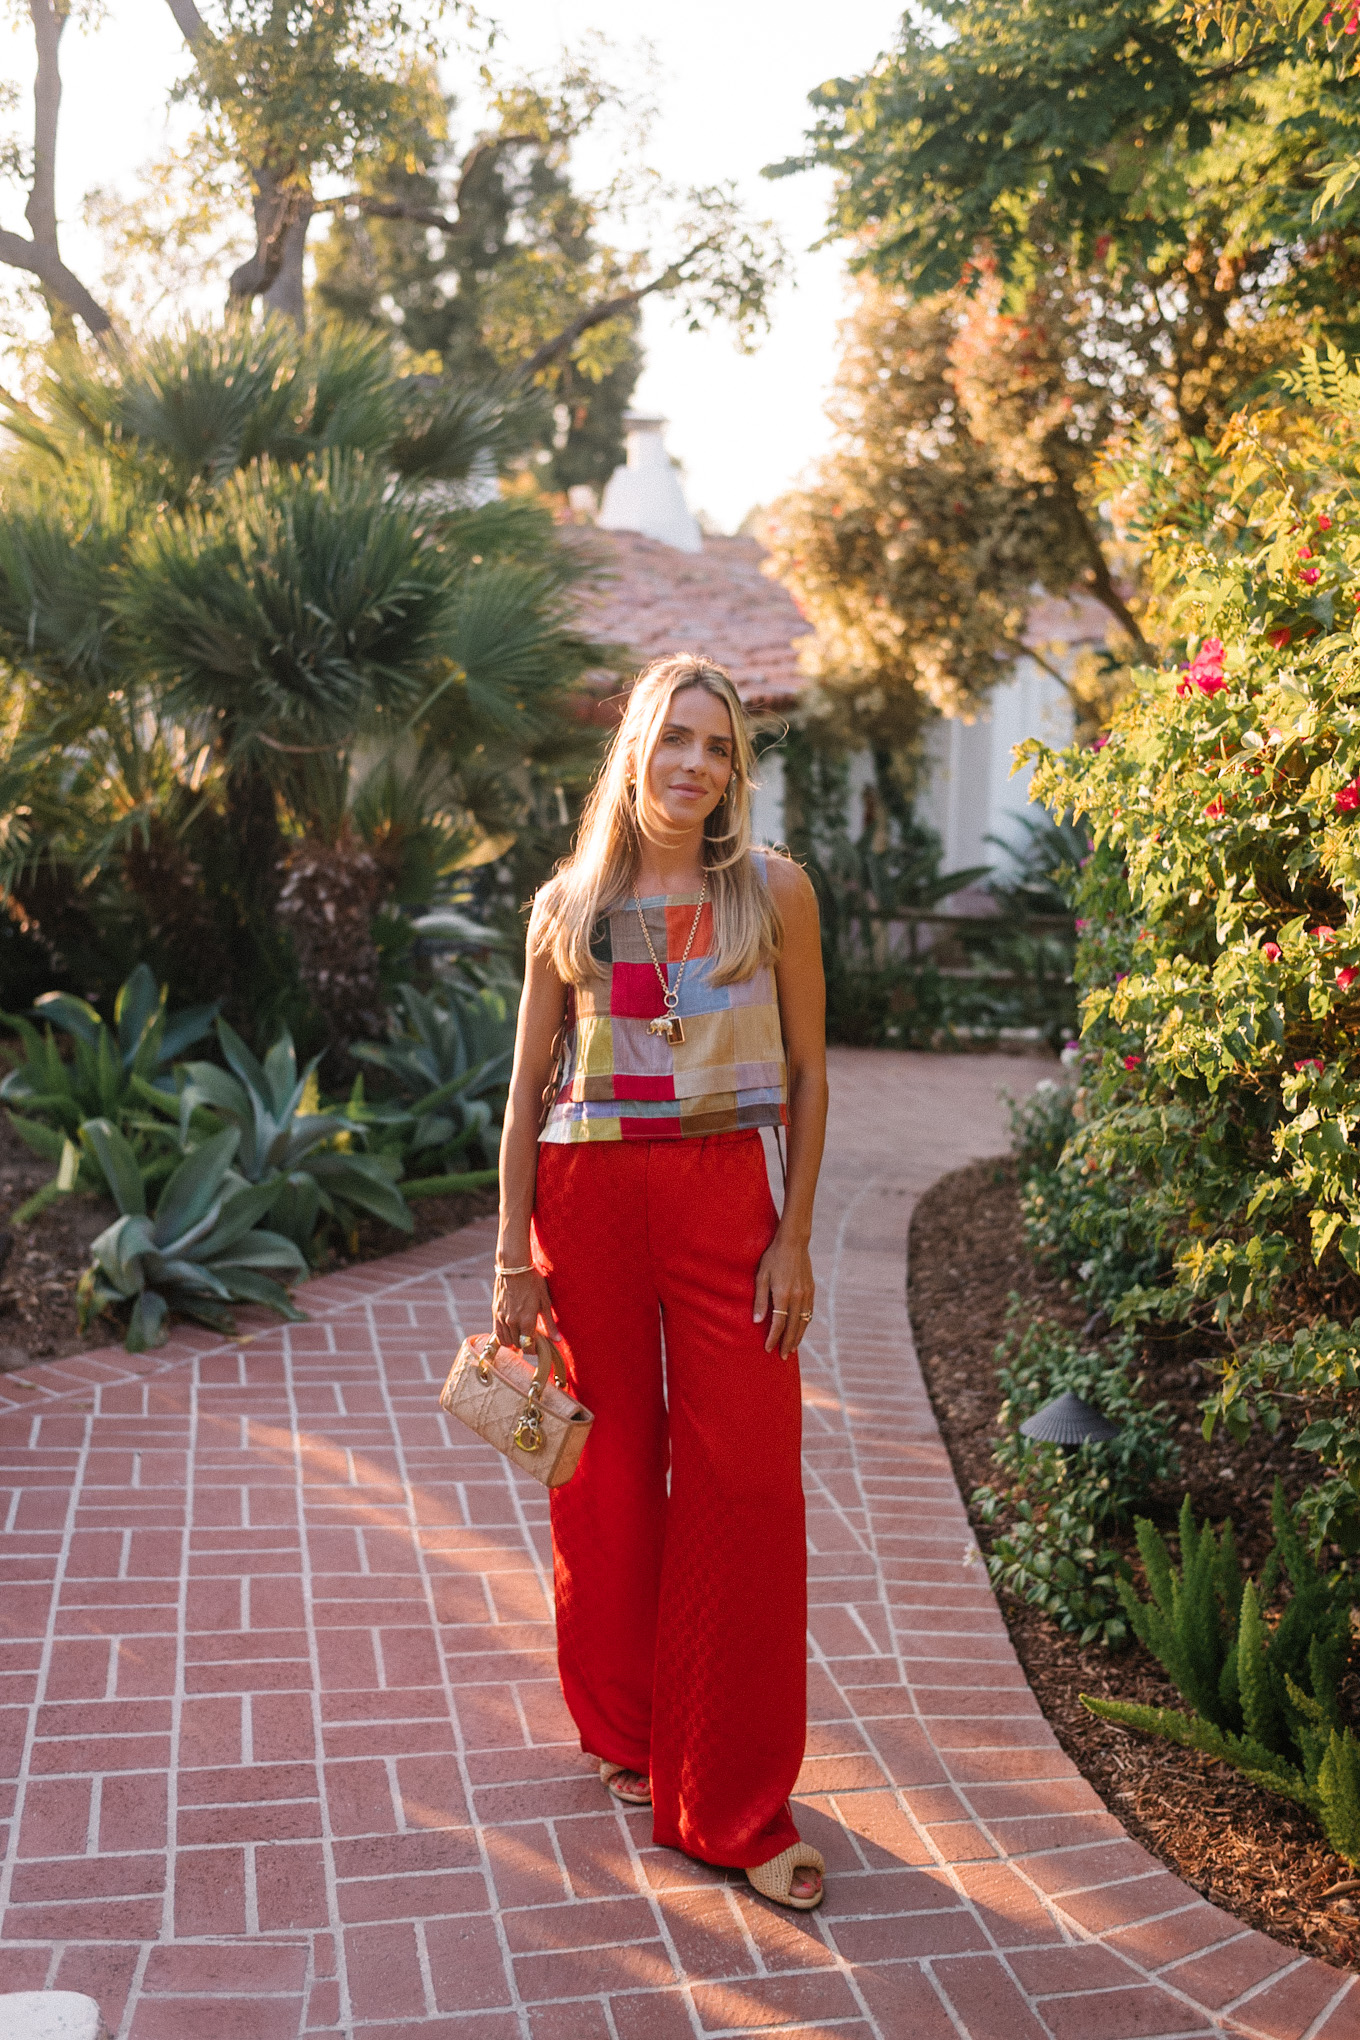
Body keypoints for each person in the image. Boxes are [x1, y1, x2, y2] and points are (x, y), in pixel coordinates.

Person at [493, 652, 830, 1911]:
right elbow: (527, 1093)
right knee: (608, 1477)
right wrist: (509, 1257)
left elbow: (807, 1076)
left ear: (736, 769)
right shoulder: (567, 903)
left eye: (720, 745)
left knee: (744, 1477)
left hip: (726, 1208)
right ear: (635, 747)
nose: (696, 763)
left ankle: (733, 1799)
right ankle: (627, 1731)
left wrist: (791, 1235)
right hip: (586, 1209)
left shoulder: (775, 894)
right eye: (676, 737)